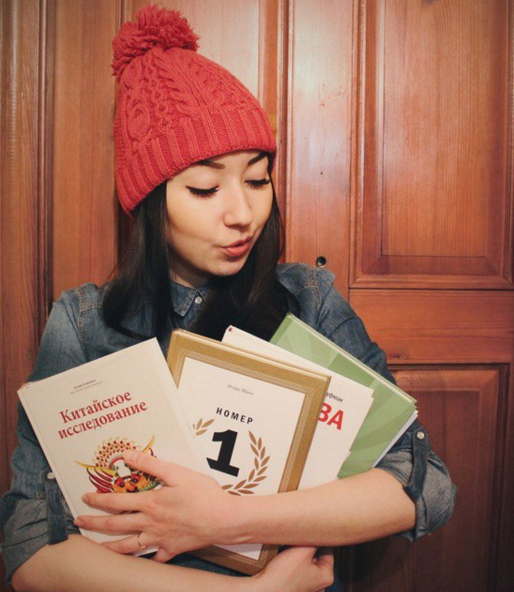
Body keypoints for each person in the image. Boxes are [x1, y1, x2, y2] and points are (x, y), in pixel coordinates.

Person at [0, 6, 456, 592]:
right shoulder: (85, 323)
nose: (243, 214)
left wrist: (227, 518)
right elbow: (29, 549)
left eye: (259, 179)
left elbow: (424, 486)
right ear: (150, 203)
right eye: (205, 187)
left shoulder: (309, 300)